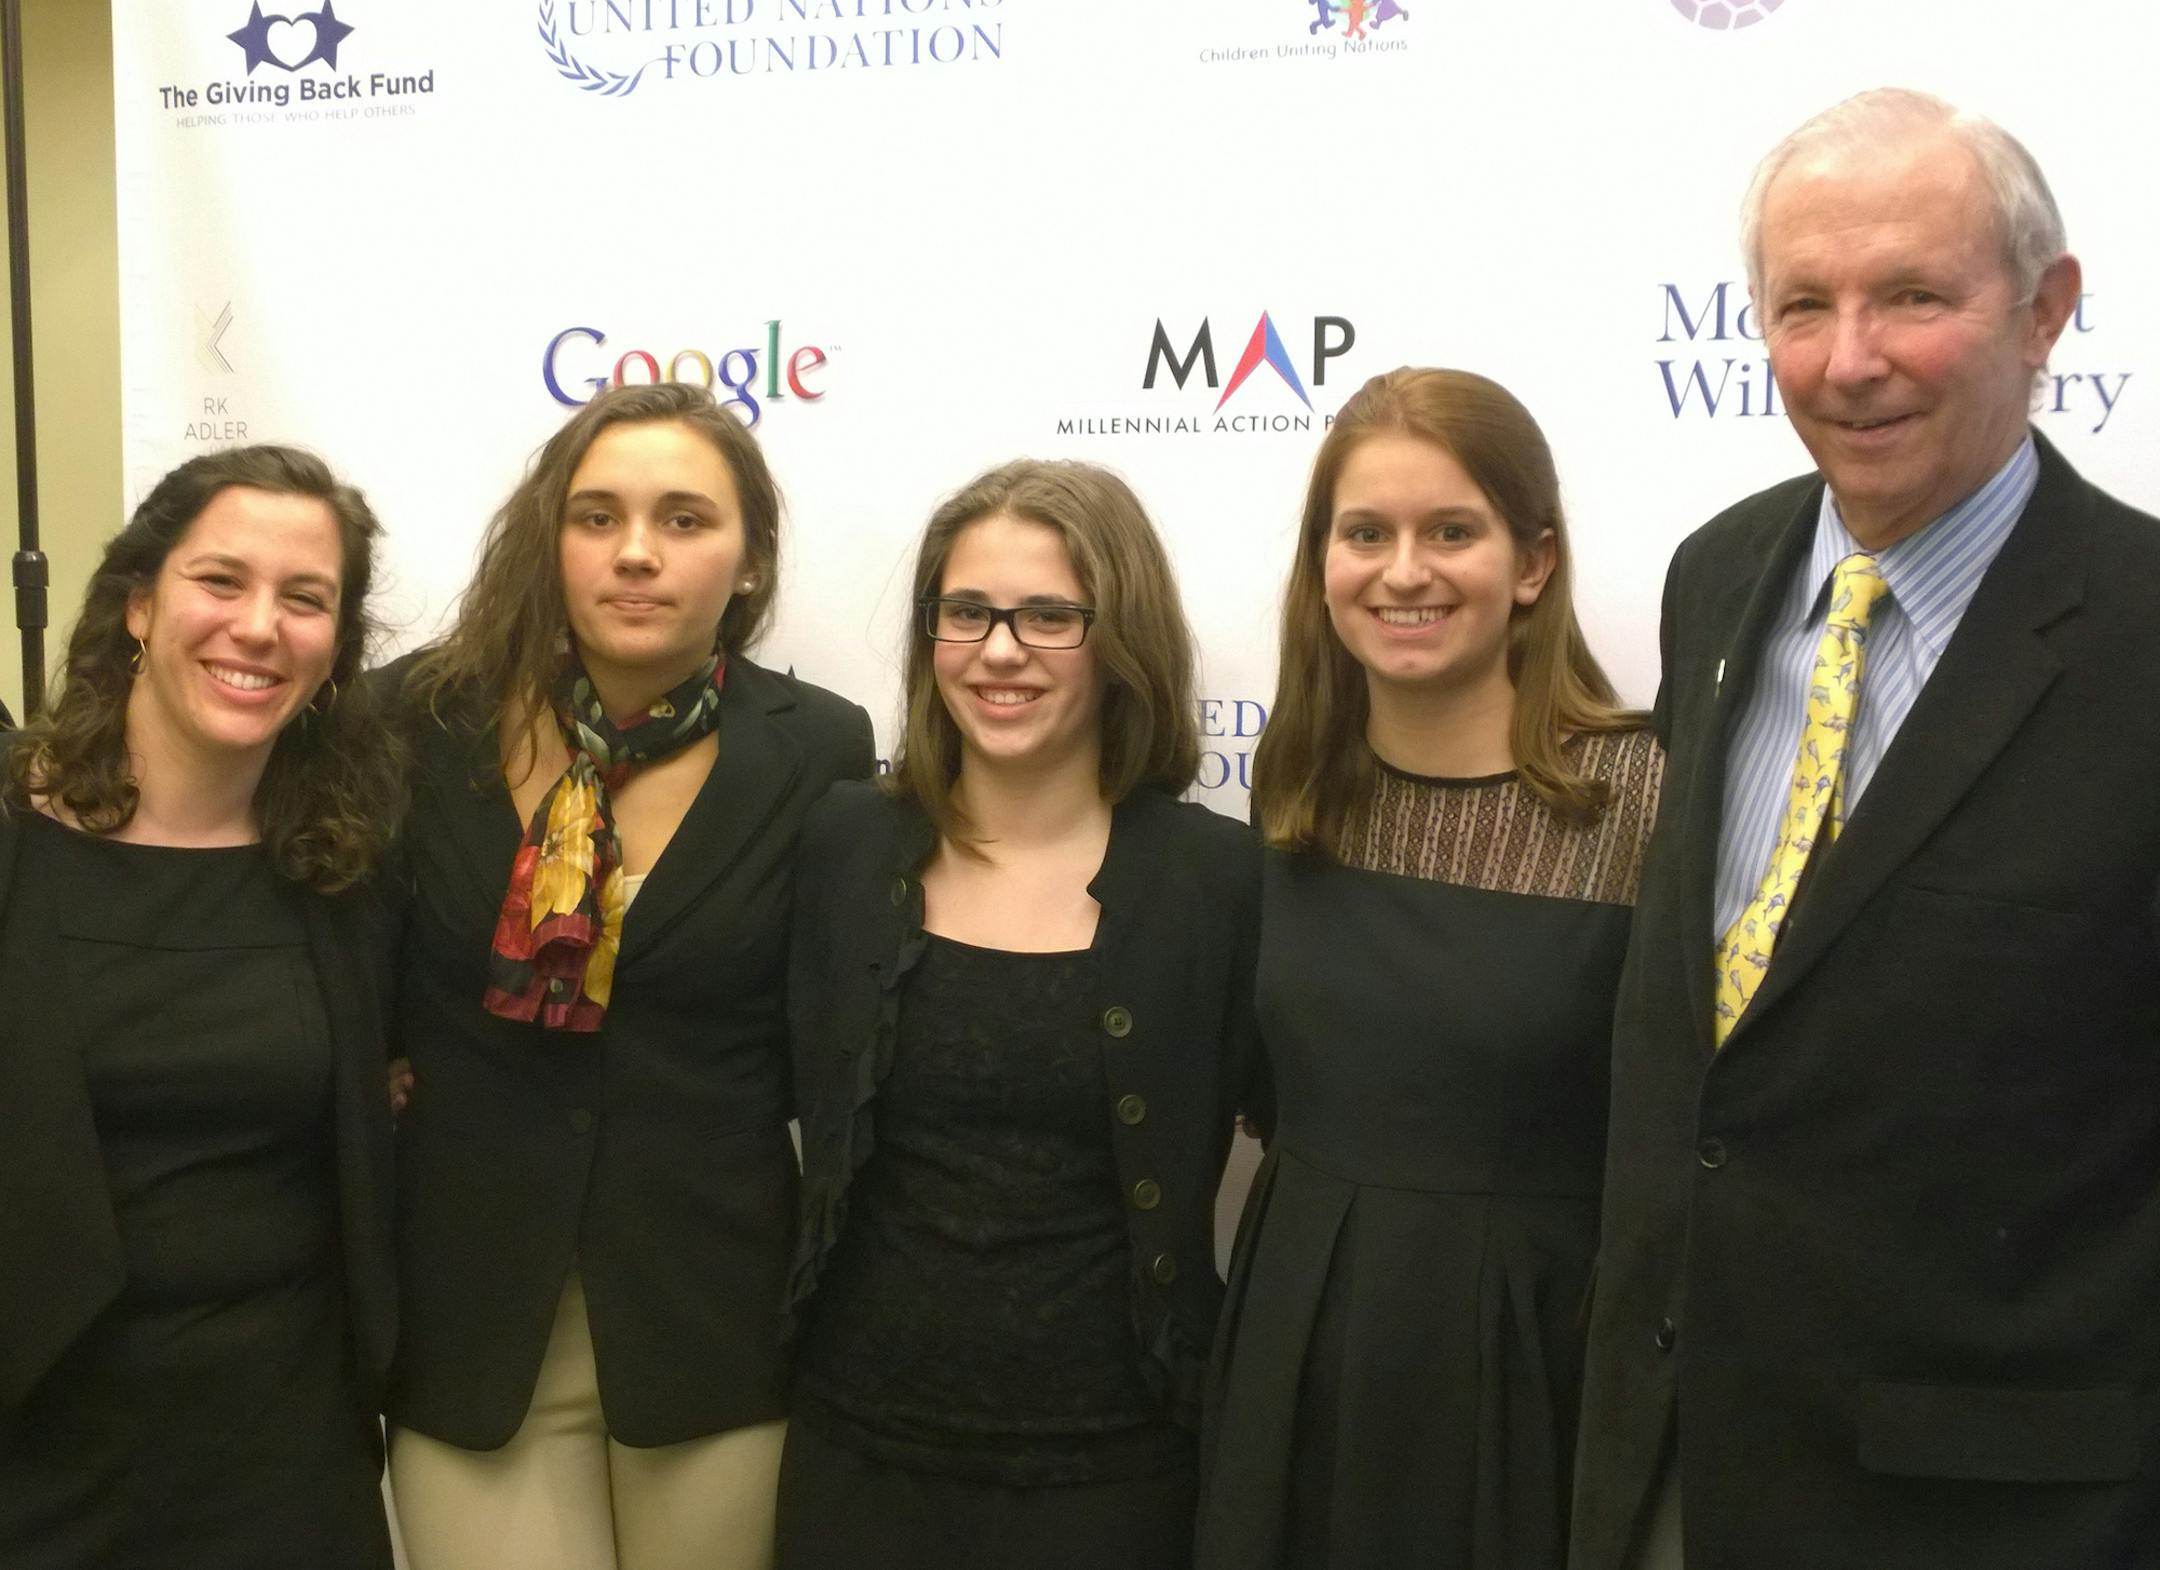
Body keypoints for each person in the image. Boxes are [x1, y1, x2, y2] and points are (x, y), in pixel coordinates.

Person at [1570, 89, 2160, 1570]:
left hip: (2004, 1512)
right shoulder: (1719, 577)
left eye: (1912, 296)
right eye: (1802, 305)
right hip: (1671, 1470)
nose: (1849, 360)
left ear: (2047, 311)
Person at [380, 382, 874, 1570]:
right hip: (471, 1325)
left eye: (686, 519)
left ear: (750, 563)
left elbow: (835, 1032)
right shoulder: (412, 719)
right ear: (547, 537)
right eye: (596, 516)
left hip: (711, 1329)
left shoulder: (819, 749)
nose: (637, 553)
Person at [1197, 367, 1663, 1570]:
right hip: (1299, 1332)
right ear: (1325, 562)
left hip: (1530, 1359)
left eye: (1451, 530)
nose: (1403, 571)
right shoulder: (1294, 785)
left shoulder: (1647, 798)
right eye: (1366, 533)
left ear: (1533, 563)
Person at [774, 460, 1262, 1570]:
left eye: (1050, 615)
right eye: (967, 612)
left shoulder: (1217, 883)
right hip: (859, 1453)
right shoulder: (844, 846)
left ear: (1120, 635)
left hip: (1123, 1469)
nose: (1001, 650)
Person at [0, 446, 403, 1568]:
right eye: (221, 582)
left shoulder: (352, 873)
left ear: (335, 650)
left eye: (305, 598)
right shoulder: (13, 847)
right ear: (138, 603)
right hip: (37, 1452)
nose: (260, 625)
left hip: (286, 1462)